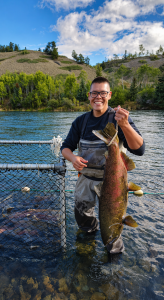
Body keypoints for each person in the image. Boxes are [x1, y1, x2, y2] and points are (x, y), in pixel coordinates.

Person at [61, 76, 145, 254]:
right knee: (83, 217)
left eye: (102, 93)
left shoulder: (119, 118)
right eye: (94, 93)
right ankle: (87, 243)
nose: (98, 97)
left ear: (110, 95)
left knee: (113, 219)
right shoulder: (80, 122)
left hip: (113, 181)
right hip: (86, 178)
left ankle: (113, 253)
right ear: (89, 95)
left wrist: (125, 126)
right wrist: (73, 158)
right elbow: (65, 148)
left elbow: (139, 150)